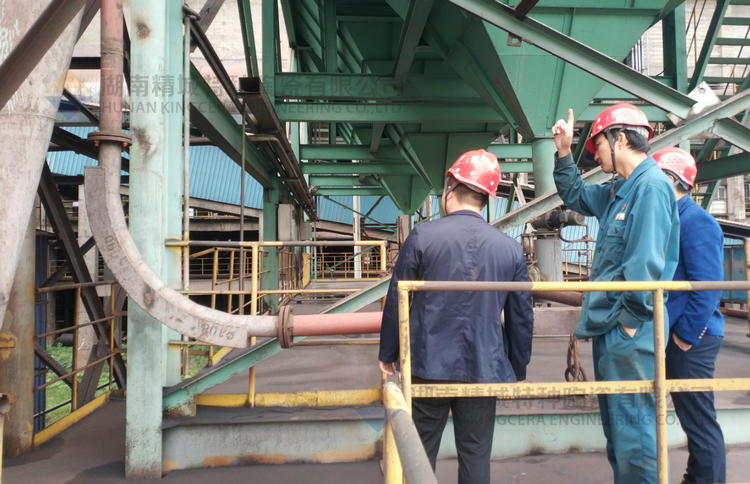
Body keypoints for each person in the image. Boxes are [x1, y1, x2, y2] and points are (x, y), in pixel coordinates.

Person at [378, 148, 534, 484]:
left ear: (450, 187)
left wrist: (388, 354)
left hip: (427, 365)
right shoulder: (509, 249)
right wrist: (518, 366)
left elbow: (397, 299)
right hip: (483, 367)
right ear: (487, 198)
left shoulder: (423, 236)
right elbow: (521, 316)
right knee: (475, 453)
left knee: (418, 452)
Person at [552, 105, 680, 484]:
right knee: (619, 435)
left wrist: (628, 324)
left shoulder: (651, 187)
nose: (595, 155)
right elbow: (575, 195)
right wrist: (563, 151)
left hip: (631, 332)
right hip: (612, 329)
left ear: (620, 138)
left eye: (598, 146)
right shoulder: (618, 192)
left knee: (635, 440)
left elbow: (646, 264)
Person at [653, 146, 726, 484]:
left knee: (699, 420)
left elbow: (707, 286)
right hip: (679, 334)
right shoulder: (673, 218)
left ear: (671, 180)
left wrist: (684, 336)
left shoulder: (697, 221)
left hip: (693, 338)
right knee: (692, 417)